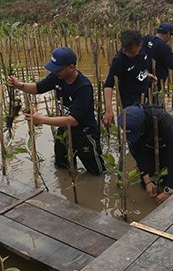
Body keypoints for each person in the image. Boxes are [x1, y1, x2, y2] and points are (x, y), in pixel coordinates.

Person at [7, 47, 105, 175]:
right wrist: (19, 85)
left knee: (97, 173)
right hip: (64, 129)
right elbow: (38, 88)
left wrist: (41, 119)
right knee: (61, 168)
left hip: (84, 134)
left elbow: (74, 120)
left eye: (59, 69)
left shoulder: (83, 87)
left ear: (71, 67)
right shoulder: (57, 76)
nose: (56, 72)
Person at [120, 103, 173, 205]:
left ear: (143, 125)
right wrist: (147, 181)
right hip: (148, 146)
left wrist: (168, 190)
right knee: (145, 185)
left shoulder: (163, 122)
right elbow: (138, 156)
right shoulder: (131, 132)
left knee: (165, 181)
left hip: (165, 145)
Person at [102, 29, 156, 127]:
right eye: (125, 51)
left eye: (131, 52)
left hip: (144, 94)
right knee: (133, 126)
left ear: (140, 45)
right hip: (129, 100)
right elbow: (108, 85)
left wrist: (146, 75)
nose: (128, 54)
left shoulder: (144, 48)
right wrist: (109, 109)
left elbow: (137, 67)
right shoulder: (119, 60)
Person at [143, 22, 173, 95]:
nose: (170, 38)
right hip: (155, 80)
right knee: (152, 99)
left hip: (143, 76)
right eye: (170, 36)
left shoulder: (146, 38)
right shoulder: (164, 47)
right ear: (167, 34)